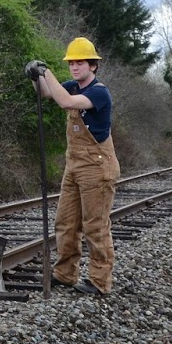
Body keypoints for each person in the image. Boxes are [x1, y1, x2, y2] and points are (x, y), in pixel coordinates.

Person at [25, 37, 122, 296]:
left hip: (96, 167)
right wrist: (36, 77)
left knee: (95, 226)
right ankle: (65, 274)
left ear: (93, 65)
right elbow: (47, 93)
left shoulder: (99, 92)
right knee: (66, 222)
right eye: (71, 63)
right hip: (74, 165)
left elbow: (66, 102)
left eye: (80, 62)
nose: (75, 67)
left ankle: (100, 281)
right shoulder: (73, 87)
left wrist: (47, 71)